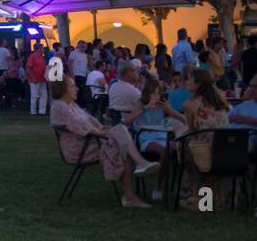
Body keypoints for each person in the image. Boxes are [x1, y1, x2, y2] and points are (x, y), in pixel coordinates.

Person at [49, 75, 158, 208]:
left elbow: (91, 125)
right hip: (79, 149)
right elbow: (82, 127)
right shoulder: (60, 106)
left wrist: (105, 131)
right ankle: (136, 176)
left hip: (89, 142)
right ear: (62, 89)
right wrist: (104, 132)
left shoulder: (71, 105)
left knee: (122, 136)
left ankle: (131, 194)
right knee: (122, 139)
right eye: (72, 86)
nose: (76, 88)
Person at [178, 68, 231, 211]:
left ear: (199, 83)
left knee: (183, 147)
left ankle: (199, 199)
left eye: (189, 78)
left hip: (207, 153)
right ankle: (217, 199)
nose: (186, 81)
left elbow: (191, 130)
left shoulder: (190, 104)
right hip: (230, 151)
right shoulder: (220, 98)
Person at [26, 44, 49, 115]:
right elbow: (28, 67)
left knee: (44, 95)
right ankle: (33, 111)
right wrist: (33, 78)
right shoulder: (32, 56)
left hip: (42, 79)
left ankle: (42, 111)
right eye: (42, 48)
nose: (44, 49)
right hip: (34, 80)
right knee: (34, 96)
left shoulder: (42, 57)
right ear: (39, 49)